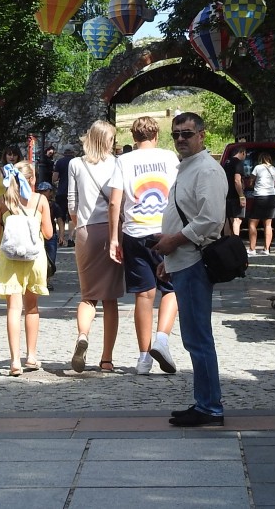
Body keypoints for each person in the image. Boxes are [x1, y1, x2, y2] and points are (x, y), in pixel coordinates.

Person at [153, 112, 228, 427]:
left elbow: (211, 220)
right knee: (194, 337)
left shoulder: (207, 170)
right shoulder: (189, 168)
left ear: (201, 135)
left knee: (199, 338)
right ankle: (204, 402)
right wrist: (168, 258)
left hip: (195, 260)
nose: (181, 139)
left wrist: (173, 242)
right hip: (182, 259)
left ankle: (210, 407)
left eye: (187, 133)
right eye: (176, 135)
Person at [107, 115, 178, 375]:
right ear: (156, 135)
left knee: (144, 295)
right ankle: (162, 339)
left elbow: (115, 202)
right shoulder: (170, 158)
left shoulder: (123, 160)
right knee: (171, 289)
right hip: (165, 232)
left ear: (133, 138)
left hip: (135, 232)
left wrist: (114, 237)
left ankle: (143, 358)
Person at [67, 121, 123, 373]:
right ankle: (107, 359)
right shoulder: (117, 163)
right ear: (107, 140)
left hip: (85, 231)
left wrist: (79, 224)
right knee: (110, 299)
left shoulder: (76, 164)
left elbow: (71, 204)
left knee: (88, 296)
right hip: (111, 230)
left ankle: (82, 334)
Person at [0, 160, 53, 376]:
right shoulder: (40, 200)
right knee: (32, 307)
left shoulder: (4, 202)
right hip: (34, 259)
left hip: (9, 259)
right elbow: (49, 233)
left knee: (13, 309)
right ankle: (31, 356)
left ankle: (15, 360)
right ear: (33, 179)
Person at [246, 151, 275, 255]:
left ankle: (252, 249)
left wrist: (252, 184)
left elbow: (251, 182)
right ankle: (267, 249)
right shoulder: (273, 169)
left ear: (260, 159)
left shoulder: (258, 168)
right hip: (272, 197)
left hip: (260, 197)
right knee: (268, 224)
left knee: (252, 223)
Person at [52, 145, 77, 246]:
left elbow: (54, 178)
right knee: (72, 216)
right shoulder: (77, 162)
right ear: (73, 152)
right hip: (74, 192)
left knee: (60, 216)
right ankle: (71, 239)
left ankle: (61, 238)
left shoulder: (60, 162)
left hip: (61, 192)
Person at [223, 146, 247, 239]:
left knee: (228, 220)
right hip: (235, 196)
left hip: (227, 195)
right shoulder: (238, 163)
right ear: (242, 152)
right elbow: (237, 180)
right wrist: (241, 196)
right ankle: (236, 243)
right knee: (237, 220)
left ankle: (226, 243)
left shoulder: (226, 162)